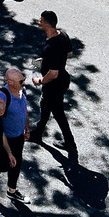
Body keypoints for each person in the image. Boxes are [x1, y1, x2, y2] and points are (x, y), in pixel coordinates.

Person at [32, 10, 78, 159]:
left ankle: (70, 143)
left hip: (54, 85)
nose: (39, 22)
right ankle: (38, 133)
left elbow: (53, 74)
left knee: (56, 112)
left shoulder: (51, 47)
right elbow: (69, 53)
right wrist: (47, 60)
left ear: (46, 23)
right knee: (47, 106)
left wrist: (39, 81)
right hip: (63, 81)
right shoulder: (63, 35)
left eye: (40, 20)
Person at [0, 67, 30, 196]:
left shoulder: (22, 91)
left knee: (16, 163)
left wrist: (27, 128)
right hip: (5, 139)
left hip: (18, 136)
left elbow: (24, 110)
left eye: (24, 79)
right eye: (21, 81)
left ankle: (12, 190)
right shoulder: (2, 97)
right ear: (10, 82)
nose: (24, 83)